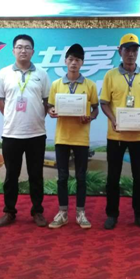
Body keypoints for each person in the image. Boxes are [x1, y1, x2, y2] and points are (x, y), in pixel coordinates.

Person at [100, 33, 140, 230]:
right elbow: (104, 103)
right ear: (120, 51)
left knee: (139, 178)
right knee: (113, 177)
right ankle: (112, 214)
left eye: (134, 50)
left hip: (139, 136)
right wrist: (113, 119)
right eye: (127, 49)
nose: (131, 54)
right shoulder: (110, 75)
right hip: (115, 135)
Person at [0, 34, 51, 227]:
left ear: (33, 51)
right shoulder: (3, 73)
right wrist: (11, 116)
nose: (23, 50)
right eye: (19, 47)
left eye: (27, 47)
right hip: (11, 134)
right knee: (11, 176)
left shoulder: (42, 74)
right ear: (13, 51)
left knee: (36, 175)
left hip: (36, 134)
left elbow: (47, 101)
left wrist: (37, 117)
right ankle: (9, 211)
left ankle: (37, 211)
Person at [46, 44, 99, 229]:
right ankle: (62, 213)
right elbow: (50, 106)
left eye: (77, 60)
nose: (74, 63)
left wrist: (90, 117)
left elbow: (95, 109)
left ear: (82, 63)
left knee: (81, 177)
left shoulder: (90, 85)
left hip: (81, 138)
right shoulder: (56, 84)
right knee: (62, 177)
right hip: (62, 137)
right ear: (65, 61)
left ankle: (80, 213)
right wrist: (51, 111)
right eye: (70, 59)